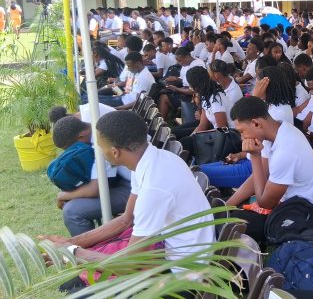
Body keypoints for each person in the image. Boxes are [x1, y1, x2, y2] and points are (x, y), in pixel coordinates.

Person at [40, 111, 216, 283]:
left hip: (184, 275)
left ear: (115, 152)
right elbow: (126, 219)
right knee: (73, 283)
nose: (98, 151)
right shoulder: (154, 160)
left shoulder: (154, 188)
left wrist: (72, 251)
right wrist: (70, 242)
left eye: (100, 147)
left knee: (77, 289)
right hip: (169, 252)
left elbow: (128, 265)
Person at [227, 97, 313, 242]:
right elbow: (260, 175)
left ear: (256, 123)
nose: (242, 137)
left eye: (242, 131)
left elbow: (265, 202)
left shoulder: (285, 150)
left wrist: (255, 156)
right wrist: (227, 205)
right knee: (229, 209)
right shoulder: (276, 131)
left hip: (299, 213)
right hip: (286, 202)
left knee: (230, 224)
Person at [50, 117, 130, 236]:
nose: (73, 153)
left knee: (72, 211)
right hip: (124, 181)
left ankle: (91, 247)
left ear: (81, 136)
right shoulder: (97, 125)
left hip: (135, 188)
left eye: (73, 148)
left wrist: (62, 196)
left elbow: (94, 190)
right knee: (74, 201)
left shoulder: (101, 143)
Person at [87, 52, 155, 109]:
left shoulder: (144, 78)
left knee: (92, 101)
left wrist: (118, 108)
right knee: (94, 97)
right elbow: (127, 90)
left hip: (124, 103)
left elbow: (139, 102)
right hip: (123, 97)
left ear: (138, 63)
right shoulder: (134, 72)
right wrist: (112, 88)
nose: (128, 69)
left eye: (130, 66)